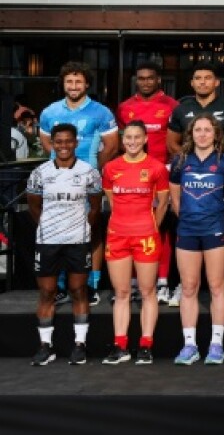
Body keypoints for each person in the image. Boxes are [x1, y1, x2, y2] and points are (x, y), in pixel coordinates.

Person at [167, 61, 224, 308]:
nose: (203, 82)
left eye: (207, 78)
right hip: (190, 179)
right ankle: (182, 283)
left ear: (216, 82)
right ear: (192, 82)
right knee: (185, 230)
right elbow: (171, 143)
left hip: (220, 181)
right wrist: (189, 163)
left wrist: (223, 165)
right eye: (198, 78)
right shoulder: (182, 109)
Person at [38, 61, 118, 306]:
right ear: (63, 84)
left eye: (78, 81)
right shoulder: (50, 112)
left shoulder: (101, 113)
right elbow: (47, 144)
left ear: (87, 84)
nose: (73, 86)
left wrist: (90, 170)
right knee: (58, 233)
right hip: (56, 182)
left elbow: (111, 147)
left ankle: (91, 285)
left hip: (87, 182)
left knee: (90, 232)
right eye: (69, 81)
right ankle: (61, 286)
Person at [168, 113, 224, 365]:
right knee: (188, 287)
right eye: (197, 130)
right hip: (188, 230)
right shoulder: (179, 161)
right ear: (191, 133)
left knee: (217, 286)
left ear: (216, 134)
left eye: (207, 130)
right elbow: (175, 199)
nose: (202, 134)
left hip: (215, 230)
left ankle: (216, 345)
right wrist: (188, 220)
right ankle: (190, 345)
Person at [28, 123, 103, 365]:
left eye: (68, 141)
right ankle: (45, 346)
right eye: (58, 142)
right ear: (52, 144)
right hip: (47, 241)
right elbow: (34, 206)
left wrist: (82, 228)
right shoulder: (40, 173)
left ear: (76, 143)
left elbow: (95, 207)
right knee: (47, 292)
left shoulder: (89, 172)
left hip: (77, 241)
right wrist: (49, 226)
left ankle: (80, 345)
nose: (63, 146)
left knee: (78, 290)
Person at [101, 121, 171, 365]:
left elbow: (163, 203)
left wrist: (150, 226)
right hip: (117, 235)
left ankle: (145, 345)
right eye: (128, 137)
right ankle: (120, 346)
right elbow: (112, 201)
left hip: (146, 236)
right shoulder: (111, 168)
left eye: (137, 137)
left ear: (145, 139)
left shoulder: (157, 168)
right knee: (121, 292)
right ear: (122, 140)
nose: (132, 142)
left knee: (147, 291)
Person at [117, 62, 180, 308]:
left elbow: (178, 141)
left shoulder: (172, 106)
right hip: (133, 176)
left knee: (160, 228)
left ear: (158, 80)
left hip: (161, 174)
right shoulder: (125, 107)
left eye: (150, 78)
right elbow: (122, 142)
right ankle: (133, 283)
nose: (145, 82)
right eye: (141, 78)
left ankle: (162, 282)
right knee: (134, 229)